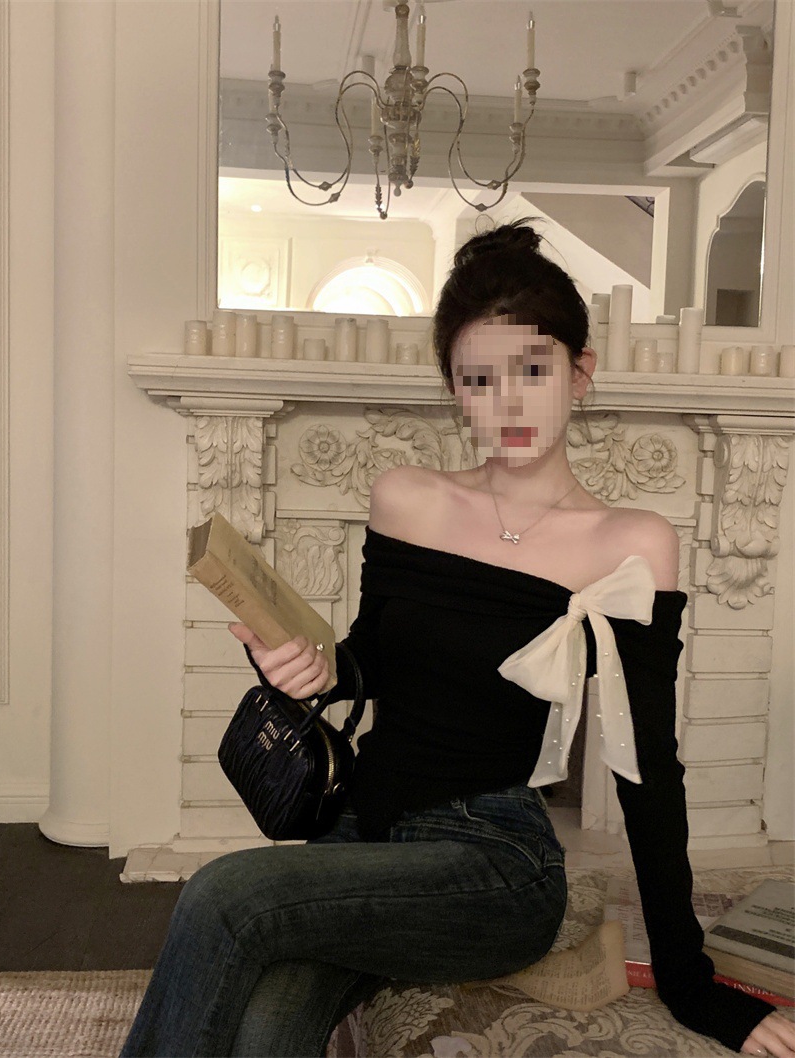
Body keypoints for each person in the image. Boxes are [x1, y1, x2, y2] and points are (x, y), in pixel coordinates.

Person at [119, 218, 795, 1058]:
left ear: (580, 373)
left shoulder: (631, 545)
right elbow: (369, 661)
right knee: (264, 1028)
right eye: (479, 379)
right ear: (455, 390)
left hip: (493, 861)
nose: (507, 401)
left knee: (222, 894)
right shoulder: (408, 499)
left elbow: (649, 772)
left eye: (533, 370)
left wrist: (694, 987)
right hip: (362, 829)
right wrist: (305, 669)